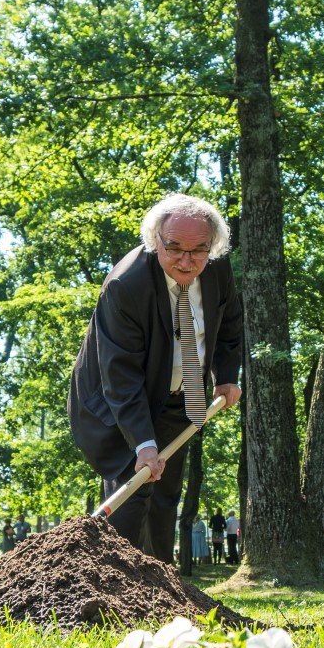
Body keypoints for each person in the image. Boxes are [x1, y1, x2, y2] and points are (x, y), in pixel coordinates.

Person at [67, 194, 244, 560]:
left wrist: (225, 376)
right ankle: (117, 584)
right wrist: (143, 443)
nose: (187, 260)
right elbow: (121, 374)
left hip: (181, 394)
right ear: (155, 240)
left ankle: (161, 586)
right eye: (175, 248)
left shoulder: (216, 268)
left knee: (165, 495)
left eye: (198, 250)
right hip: (115, 401)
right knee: (134, 491)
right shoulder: (125, 286)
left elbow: (230, 322)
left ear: (213, 247)